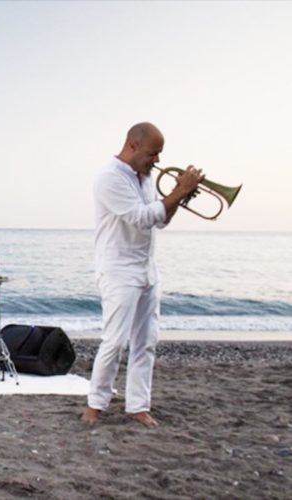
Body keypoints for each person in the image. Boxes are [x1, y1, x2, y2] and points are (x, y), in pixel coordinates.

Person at [82, 123, 204, 428]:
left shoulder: (146, 178)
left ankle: (138, 406)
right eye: (153, 153)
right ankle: (95, 405)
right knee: (115, 341)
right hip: (118, 269)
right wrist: (179, 191)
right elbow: (140, 218)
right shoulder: (109, 177)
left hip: (147, 267)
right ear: (133, 146)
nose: (157, 161)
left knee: (146, 341)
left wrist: (179, 197)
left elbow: (159, 220)